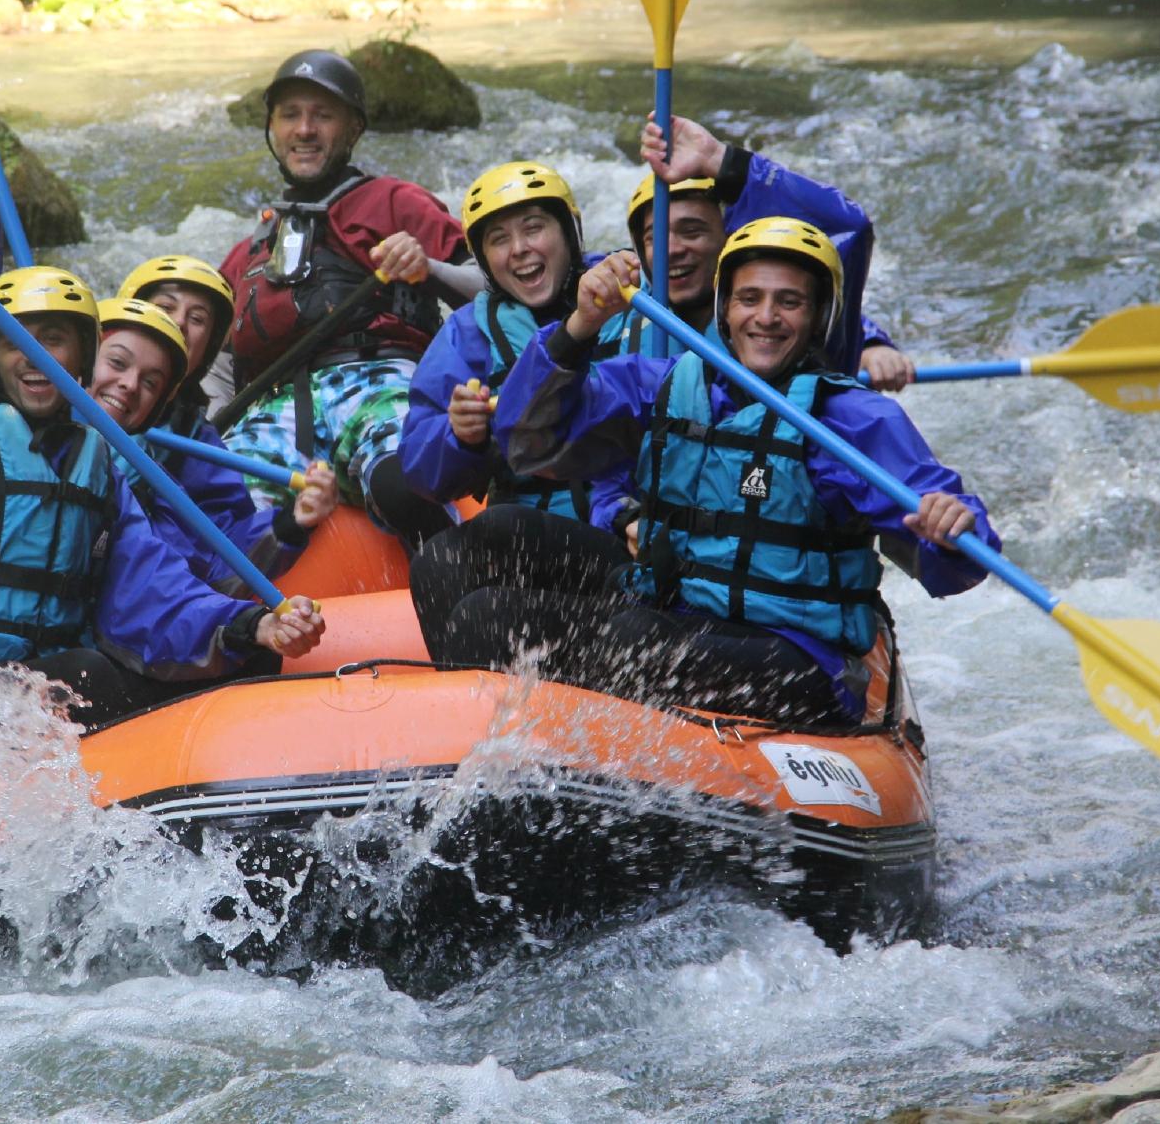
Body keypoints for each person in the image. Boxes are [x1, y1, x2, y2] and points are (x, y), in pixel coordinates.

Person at [441, 217, 1000, 725]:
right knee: (483, 615)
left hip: (794, 656)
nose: (766, 317)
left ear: (817, 318)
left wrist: (954, 528)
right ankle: (481, 768)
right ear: (725, 310)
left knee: (632, 636)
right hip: (676, 613)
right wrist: (581, 325)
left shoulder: (850, 419)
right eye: (749, 298)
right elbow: (526, 435)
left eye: (790, 302)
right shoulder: (665, 385)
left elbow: (953, 562)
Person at [0, 242, 325, 730]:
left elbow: (152, 588)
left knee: (243, 656)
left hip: (28, 689)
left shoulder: (96, 469)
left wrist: (248, 624)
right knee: (88, 671)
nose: (33, 357)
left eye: (53, 341)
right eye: (18, 341)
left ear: (80, 359)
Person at [216, 49, 478, 548]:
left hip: (380, 378)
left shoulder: (395, 201)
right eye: (290, 115)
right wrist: (208, 431)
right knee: (218, 508)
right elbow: (218, 361)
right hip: (275, 406)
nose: (305, 130)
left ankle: (462, 582)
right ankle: (245, 621)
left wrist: (430, 266)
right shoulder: (249, 248)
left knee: (403, 485)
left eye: (323, 115)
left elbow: (493, 284)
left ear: (353, 129)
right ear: (272, 127)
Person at [401, 161, 633, 657]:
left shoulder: (630, 296)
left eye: (534, 227)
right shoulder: (469, 330)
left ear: (569, 233)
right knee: (435, 564)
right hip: (532, 543)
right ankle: (473, 709)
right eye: (499, 239)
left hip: (617, 537)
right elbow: (420, 468)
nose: (520, 249)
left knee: (496, 533)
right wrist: (460, 436)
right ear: (484, 260)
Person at [618, 114, 915, 390]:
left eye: (693, 232)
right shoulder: (616, 297)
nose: (671, 250)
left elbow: (848, 229)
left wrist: (723, 162)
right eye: (654, 237)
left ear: (729, 238)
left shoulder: (780, 329)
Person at [89, 295, 337, 597]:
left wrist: (290, 523)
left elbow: (207, 564)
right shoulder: (29, 424)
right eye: (165, 307)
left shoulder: (166, 462)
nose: (178, 322)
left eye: (197, 318)